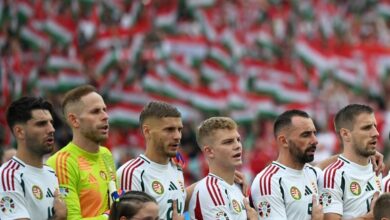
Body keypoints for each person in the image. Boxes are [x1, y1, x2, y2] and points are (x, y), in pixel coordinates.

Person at [46, 85, 116, 219]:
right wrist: (110, 216)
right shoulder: (63, 162)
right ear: (74, 120)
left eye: (104, 110)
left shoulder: (106, 154)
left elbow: (114, 201)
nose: (105, 116)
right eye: (96, 111)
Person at [116, 101, 186, 220]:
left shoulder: (177, 167)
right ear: (147, 131)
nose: (177, 136)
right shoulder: (133, 173)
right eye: (169, 129)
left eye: (179, 129)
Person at [0, 96, 67, 219]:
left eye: (51, 123)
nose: (51, 129)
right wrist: (60, 218)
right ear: (20, 132)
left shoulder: (52, 172)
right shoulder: (9, 176)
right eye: (41, 124)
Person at [250, 109, 323, 220]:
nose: (315, 140)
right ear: (284, 141)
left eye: (314, 133)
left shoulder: (311, 172)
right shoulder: (269, 182)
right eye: (306, 135)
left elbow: (323, 166)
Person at [319, 104, 381, 219]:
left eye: (375, 126)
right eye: (367, 127)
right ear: (346, 134)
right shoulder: (333, 175)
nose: (376, 133)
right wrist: (371, 217)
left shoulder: (377, 167)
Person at [188, 117, 257, 219]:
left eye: (238, 140)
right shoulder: (210, 191)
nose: (237, 146)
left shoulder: (238, 187)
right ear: (209, 151)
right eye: (228, 142)